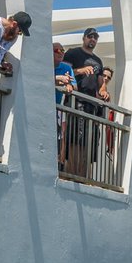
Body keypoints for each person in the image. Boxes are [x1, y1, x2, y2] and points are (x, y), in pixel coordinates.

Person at [63, 28, 105, 176]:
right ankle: (72, 175)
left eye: (95, 37)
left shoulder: (98, 61)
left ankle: (83, 176)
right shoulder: (73, 53)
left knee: (89, 141)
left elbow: (101, 83)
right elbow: (63, 72)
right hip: (76, 100)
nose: (92, 39)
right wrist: (81, 70)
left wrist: (104, 91)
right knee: (76, 139)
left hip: (91, 105)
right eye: (90, 36)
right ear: (84, 38)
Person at [53, 42, 76, 170]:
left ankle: (58, 165)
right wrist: (58, 78)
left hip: (57, 108)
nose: (61, 52)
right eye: (58, 50)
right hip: (44, 106)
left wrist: (70, 85)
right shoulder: (44, 64)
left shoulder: (66, 68)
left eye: (63, 50)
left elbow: (75, 85)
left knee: (58, 136)